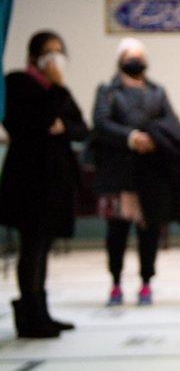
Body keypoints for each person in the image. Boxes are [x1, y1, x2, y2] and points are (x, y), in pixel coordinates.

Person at [0, 31, 88, 338]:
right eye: (49, 51)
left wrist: (62, 123)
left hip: (56, 182)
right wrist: (55, 94)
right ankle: (29, 316)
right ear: (34, 55)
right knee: (32, 248)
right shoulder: (18, 83)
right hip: (29, 181)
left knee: (44, 247)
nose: (56, 58)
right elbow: (33, 123)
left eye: (60, 51)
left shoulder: (58, 88)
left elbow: (80, 127)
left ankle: (43, 313)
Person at [92, 38, 180, 307]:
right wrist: (131, 137)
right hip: (117, 174)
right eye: (130, 55)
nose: (136, 60)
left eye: (139, 55)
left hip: (150, 174)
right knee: (116, 233)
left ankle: (146, 283)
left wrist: (153, 138)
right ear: (121, 60)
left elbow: (171, 122)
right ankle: (116, 283)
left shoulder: (157, 91)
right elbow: (101, 122)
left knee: (148, 232)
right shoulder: (108, 91)